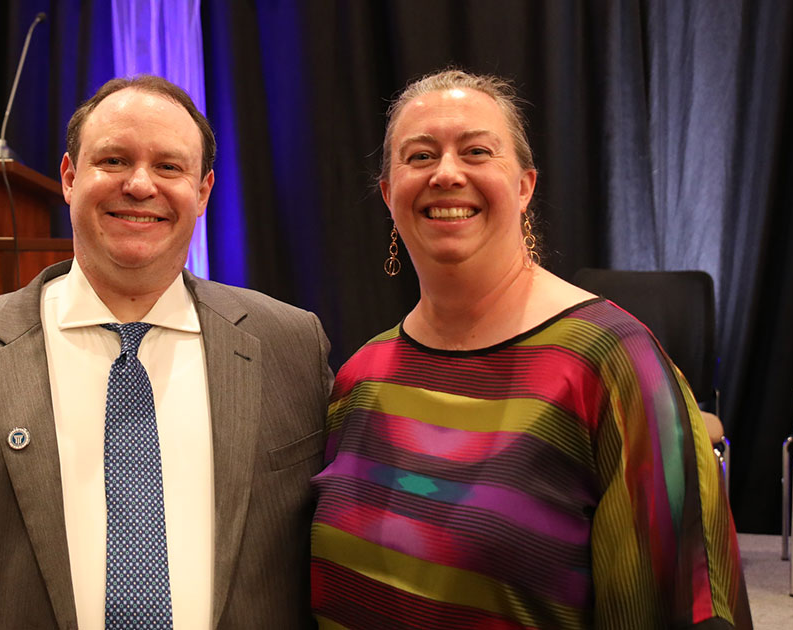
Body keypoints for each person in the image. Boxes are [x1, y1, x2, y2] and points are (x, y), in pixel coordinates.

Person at [0, 75, 331, 629]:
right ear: (70, 178)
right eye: (114, 160)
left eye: (169, 166)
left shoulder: (292, 347)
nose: (139, 185)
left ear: (202, 192)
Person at [310, 69, 751, 629]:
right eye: (420, 156)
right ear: (388, 195)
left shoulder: (612, 363)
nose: (446, 173)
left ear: (524, 187)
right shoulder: (361, 376)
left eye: (476, 151)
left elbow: (676, 607)